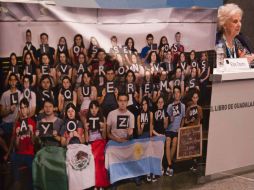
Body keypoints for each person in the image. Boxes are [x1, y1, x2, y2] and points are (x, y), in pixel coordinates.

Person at [10, 98, 36, 190]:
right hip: (19, 154)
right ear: (20, 110)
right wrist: (17, 135)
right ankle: (16, 182)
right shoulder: (17, 124)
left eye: (25, 107)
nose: (23, 110)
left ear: (28, 109)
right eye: (22, 108)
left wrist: (32, 132)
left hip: (29, 154)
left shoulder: (32, 122)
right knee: (13, 157)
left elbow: (33, 142)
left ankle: (31, 186)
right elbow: (16, 146)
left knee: (32, 174)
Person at [165, 86, 185, 176]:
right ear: (173, 95)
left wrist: (180, 128)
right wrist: (170, 119)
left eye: (178, 92)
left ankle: (168, 164)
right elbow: (166, 120)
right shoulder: (170, 106)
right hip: (169, 129)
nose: (176, 94)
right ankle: (170, 165)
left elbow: (183, 119)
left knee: (175, 142)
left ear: (180, 94)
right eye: (175, 92)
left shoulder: (183, 106)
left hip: (177, 130)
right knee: (168, 142)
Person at [0, 73, 21, 146]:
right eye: (11, 80)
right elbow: (1, 113)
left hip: (16, 122)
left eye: (14, 80)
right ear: (9, 82)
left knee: (16, 142)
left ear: (17, 82)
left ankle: (10, 153)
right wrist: (9, 110)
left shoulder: (20, 94)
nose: (13, 82)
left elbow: (21, 110)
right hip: (6, 123)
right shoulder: (4, 94)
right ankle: (7, 152)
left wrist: (16, 121)